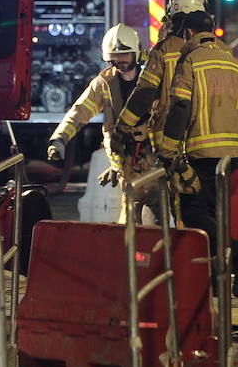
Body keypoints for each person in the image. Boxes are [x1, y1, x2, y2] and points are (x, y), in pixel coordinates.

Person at [154, 8, 238, 262]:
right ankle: (217, 281)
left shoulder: (189, 62)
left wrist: (167, 148)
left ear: (188, 33)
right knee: (215, 214)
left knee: (192, 214)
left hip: (201, 152)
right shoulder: (234, 63)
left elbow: (180, 107)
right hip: (229, 155)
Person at [47, 24, 163, 223]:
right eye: (114, 57)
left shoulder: (152, 80)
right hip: (126, 165)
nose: (119, 61)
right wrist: (59, 139)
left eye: (125, 55)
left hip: (153, 160)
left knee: (154, 217)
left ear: (136, 53)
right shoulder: (103, 84)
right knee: (130, 222)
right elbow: (79, 112)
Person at [117, 0, 208, 149]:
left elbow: (145, 92)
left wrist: (122, 128)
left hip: (169, 141)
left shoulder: (164, 49)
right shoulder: (220, 52)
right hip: (206, 141)